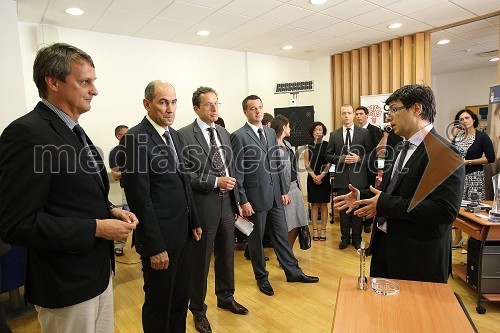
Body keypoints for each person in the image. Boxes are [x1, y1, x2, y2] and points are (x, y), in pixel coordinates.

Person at [0, 43, 138, 333]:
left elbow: (73, 196)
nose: (94, 90)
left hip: (97, 275)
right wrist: (97, 228)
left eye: (93, 82)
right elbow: (16, 224)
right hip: (65, 284)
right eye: (85, 82)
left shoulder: (74, 129)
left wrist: (111, 210)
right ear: (53, 82)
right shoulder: (27, 133)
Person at [334, 84, 465, 283]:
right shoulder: (400, 147)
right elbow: (392, 193)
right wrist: (363, 198)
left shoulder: (444, 153)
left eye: (394, 110)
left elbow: (444, 210)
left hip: (418, 258)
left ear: (416, 109)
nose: (389, 117)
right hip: (384, 249)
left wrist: (384, 204)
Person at [120, 80, 202, 332]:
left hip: (184, 236)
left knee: (179, 301)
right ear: (147, 104)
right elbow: (139, 199)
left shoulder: (174, 135)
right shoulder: (135, 138)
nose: (170, 109)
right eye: (163, 102)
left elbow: (184, 183)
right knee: (159, 305)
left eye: (173, 102)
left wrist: (195, 221)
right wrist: (155, 247)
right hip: (161, 242)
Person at [231, 95, 319, 297]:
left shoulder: (270, 132)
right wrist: (242, 199)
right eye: (253, 108)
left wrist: (283, 191)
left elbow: (276, 165)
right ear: (245, 111)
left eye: (260, 107)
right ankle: (262, 278)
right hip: (254, 199)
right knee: (257, 242)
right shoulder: (239, 136)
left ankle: (293, 272)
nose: (258, 111)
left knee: (281, 236)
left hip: (275, 197)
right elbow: (238, 171)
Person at [178, 87, 248, 333]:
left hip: (227, 205)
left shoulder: (224, 133)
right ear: (196, 108)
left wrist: (237, 201)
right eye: (209, 104)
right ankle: (197, 309)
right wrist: (214, 182)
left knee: (227, 255)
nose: (215, 108)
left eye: (217, 103)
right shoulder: (183, 135)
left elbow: (232, 170)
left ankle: (226, 297)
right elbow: (185, 174)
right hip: (203, 206)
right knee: (201, 261)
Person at [325, 104, 373, 250]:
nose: (346, 115)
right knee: (344, 212)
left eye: (349, 113)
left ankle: (357, 239)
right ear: (340, 115)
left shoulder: (364, 133)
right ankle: (345, 238)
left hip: (359, 179)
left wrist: (359, 159)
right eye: (343, 113)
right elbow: (327, 155)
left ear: (353, 115)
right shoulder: (334, 135)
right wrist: (340, 159)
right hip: (341, 179)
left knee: (358, 211)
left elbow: (372, 154)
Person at [451, 109, 494, 248]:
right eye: (461, 119)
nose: (464, 121)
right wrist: (454, 134)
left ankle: (471, 241)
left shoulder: (482, 137)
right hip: (458, 177)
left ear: (473, 119)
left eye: (467, 118)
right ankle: (458, 238)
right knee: (457, 207)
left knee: (474, 208)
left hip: (475, 176)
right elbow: (448, 152)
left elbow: (490, 158)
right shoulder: (458, 136)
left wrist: (467, 162)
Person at [270, 115, 309, 247]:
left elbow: (293, 168)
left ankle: (288, 253)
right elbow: (275, 173)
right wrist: (281, 192)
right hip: (285, 191)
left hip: (295, 188)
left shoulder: (287, 144)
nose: (290, 128)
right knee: (287, 224)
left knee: (299, 222)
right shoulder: (273, 146)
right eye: (288, 126)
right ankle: (285, 255)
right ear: (283, 127)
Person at [355, 106, 383, 234]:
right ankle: (357, 221)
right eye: (357, 114)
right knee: (359, 193)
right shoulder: (354, 130)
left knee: (369, 193)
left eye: (361, 114)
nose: (358, 116)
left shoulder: (375, 130)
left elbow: (378, 150)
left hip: (370, 168)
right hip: (356, 169)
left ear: (367, 115)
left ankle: (368, 222)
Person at [304, 121, 331, 241]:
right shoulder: (307, 146)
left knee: (324, 205)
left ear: (323, 132)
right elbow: (306, 163)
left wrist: (321, 176)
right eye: (315, 130)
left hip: (324, 178)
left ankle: (323, 229)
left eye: (320, 130)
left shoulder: (328, 145)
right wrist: (314, 176)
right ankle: (315, 229)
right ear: (312, 132)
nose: (318, 132)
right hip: (312, 178)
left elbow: (329, 162)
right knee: (314, 205)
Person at [109, 125, 129, 256]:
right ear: (118, 136)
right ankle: (119, 245)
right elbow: (116, 175)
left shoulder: (139, 148)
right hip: (127, 188)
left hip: (146, 188)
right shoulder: (115, 152)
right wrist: (133, 171)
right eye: (126, 134)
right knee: (126, 217)